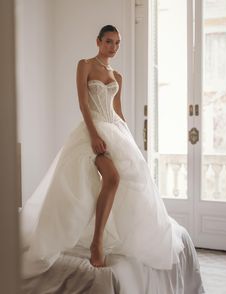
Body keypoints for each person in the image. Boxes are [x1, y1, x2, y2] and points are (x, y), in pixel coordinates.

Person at [20, 25, 185, 278]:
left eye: (118, 43)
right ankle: (96, 243)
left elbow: (118, 112)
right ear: (98, 41)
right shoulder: (84, 65)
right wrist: (94, 135)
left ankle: (103, 235)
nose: (114, 47)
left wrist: (128, 141)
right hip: (92, 130)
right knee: (112, 178)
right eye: (109, 42)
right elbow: (84, 104)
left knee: (121, 181)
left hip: (115, 131)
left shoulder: (117, 76)